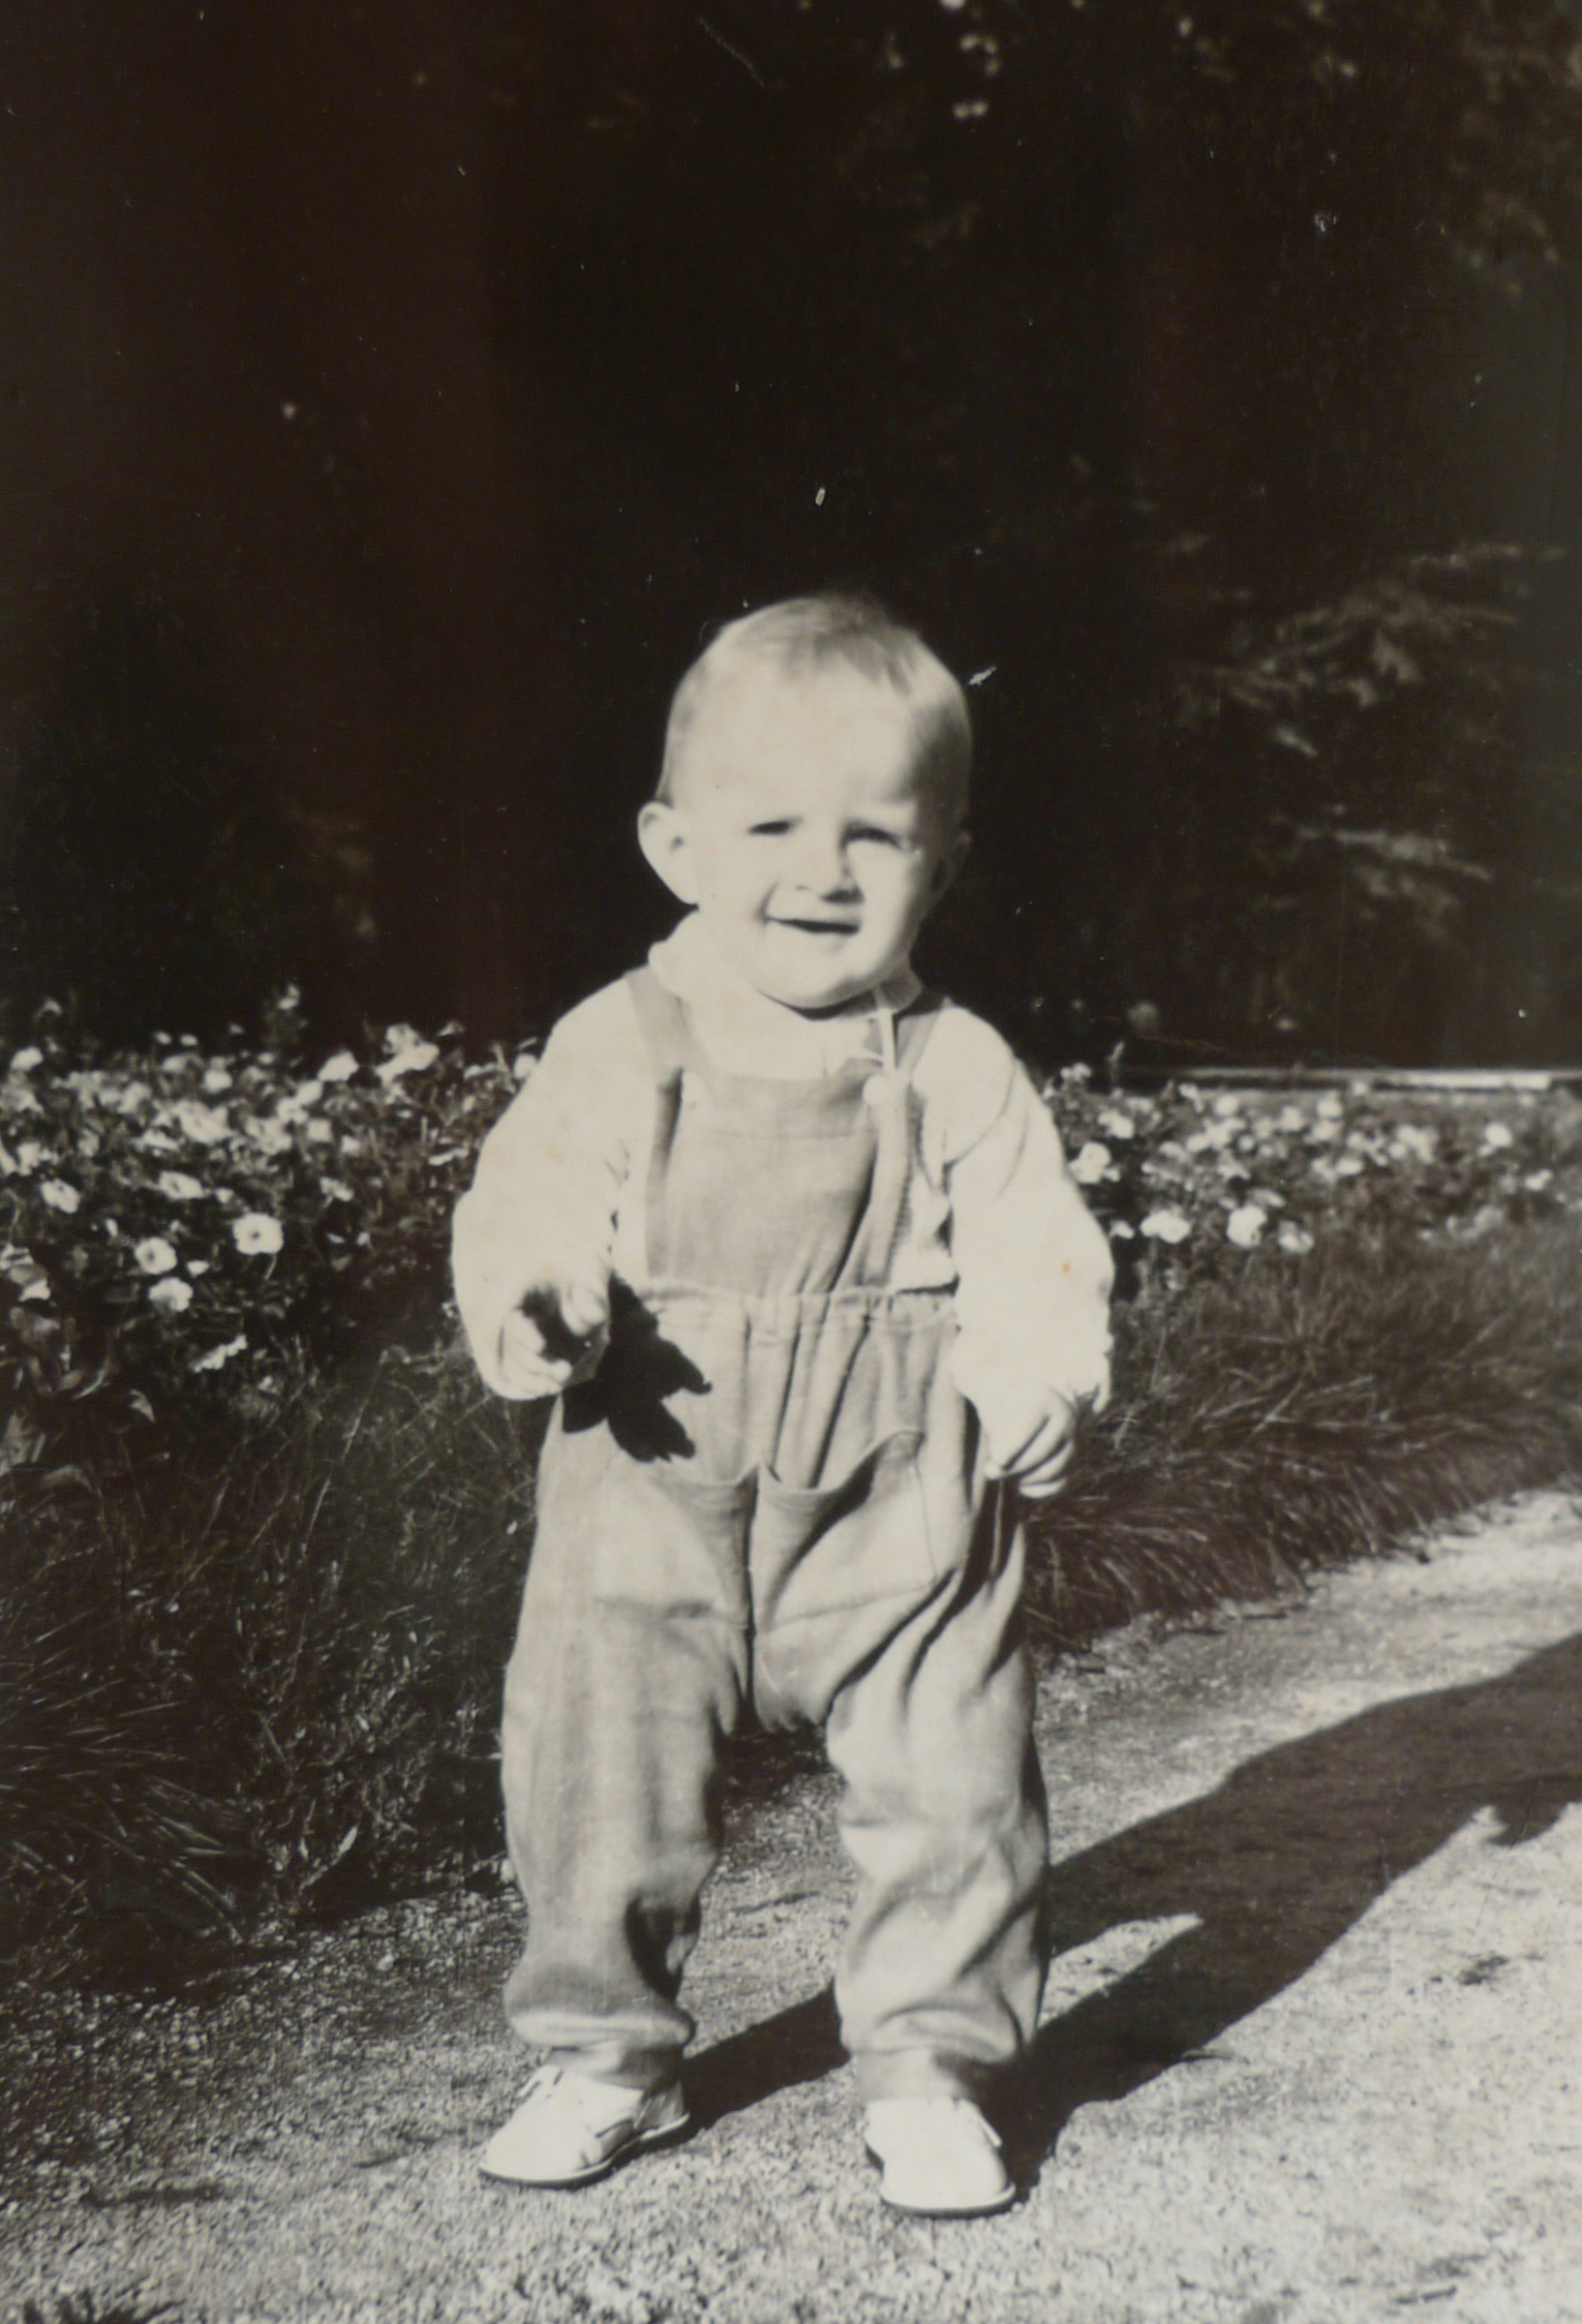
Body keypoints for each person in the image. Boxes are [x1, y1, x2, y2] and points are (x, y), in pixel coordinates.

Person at [451, 594, 1112, 2217]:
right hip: (651, 1458)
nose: (821, 872)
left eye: (873, 835)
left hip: (902, 1487)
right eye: (770, 829)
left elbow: (1035, 1240)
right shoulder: (622, 1039)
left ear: (941, 864)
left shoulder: (956, 1065)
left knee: (955, 1775)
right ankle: (606, 2049)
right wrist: (539, 1296)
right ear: (674, 846)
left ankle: (932, 2065)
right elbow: (528, 1196)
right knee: (596, 1765)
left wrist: (1036, 1366)